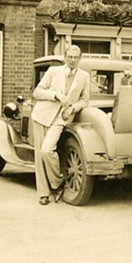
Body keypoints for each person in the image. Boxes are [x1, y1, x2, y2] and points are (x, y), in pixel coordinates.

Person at [31, 45, 90, 206]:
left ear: (80, 58)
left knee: (47, 150)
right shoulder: (53, 72)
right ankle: (44, 193)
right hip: (42, 115)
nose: (72, 60)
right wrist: (55, 95)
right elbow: (37, 92)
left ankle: (57, 183)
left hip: (62, 118)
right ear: (65, 57)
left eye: (76, 57)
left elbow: (85, 100)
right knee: (39, 156)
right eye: (70, 57)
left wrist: (73, 107)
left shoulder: (84, 76)